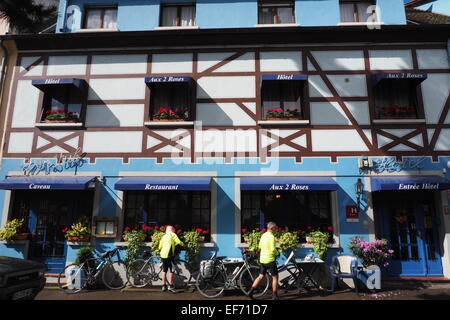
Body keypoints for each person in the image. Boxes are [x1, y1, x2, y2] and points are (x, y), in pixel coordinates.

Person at [248, 221, 280, 300]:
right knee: (275, 277)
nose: (276, 230)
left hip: (262, 260)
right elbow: (273, 249)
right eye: (275, 228)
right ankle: (275, 296)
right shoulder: (272, 237)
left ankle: (251, 291)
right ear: (272, 228)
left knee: (260, 276)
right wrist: (277, 253)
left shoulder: (263, 235)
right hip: (270, 260)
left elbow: (259, 247)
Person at [159, 225, 184, 293]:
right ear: (172, 229)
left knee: (164, 270)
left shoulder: (164, 236)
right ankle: (171, 285)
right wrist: (183, 244)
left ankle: (164, 286)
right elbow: (178, 241)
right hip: (169, 255)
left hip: (163, 254)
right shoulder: (172, 234)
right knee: (172, 269)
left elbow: (160, 246)